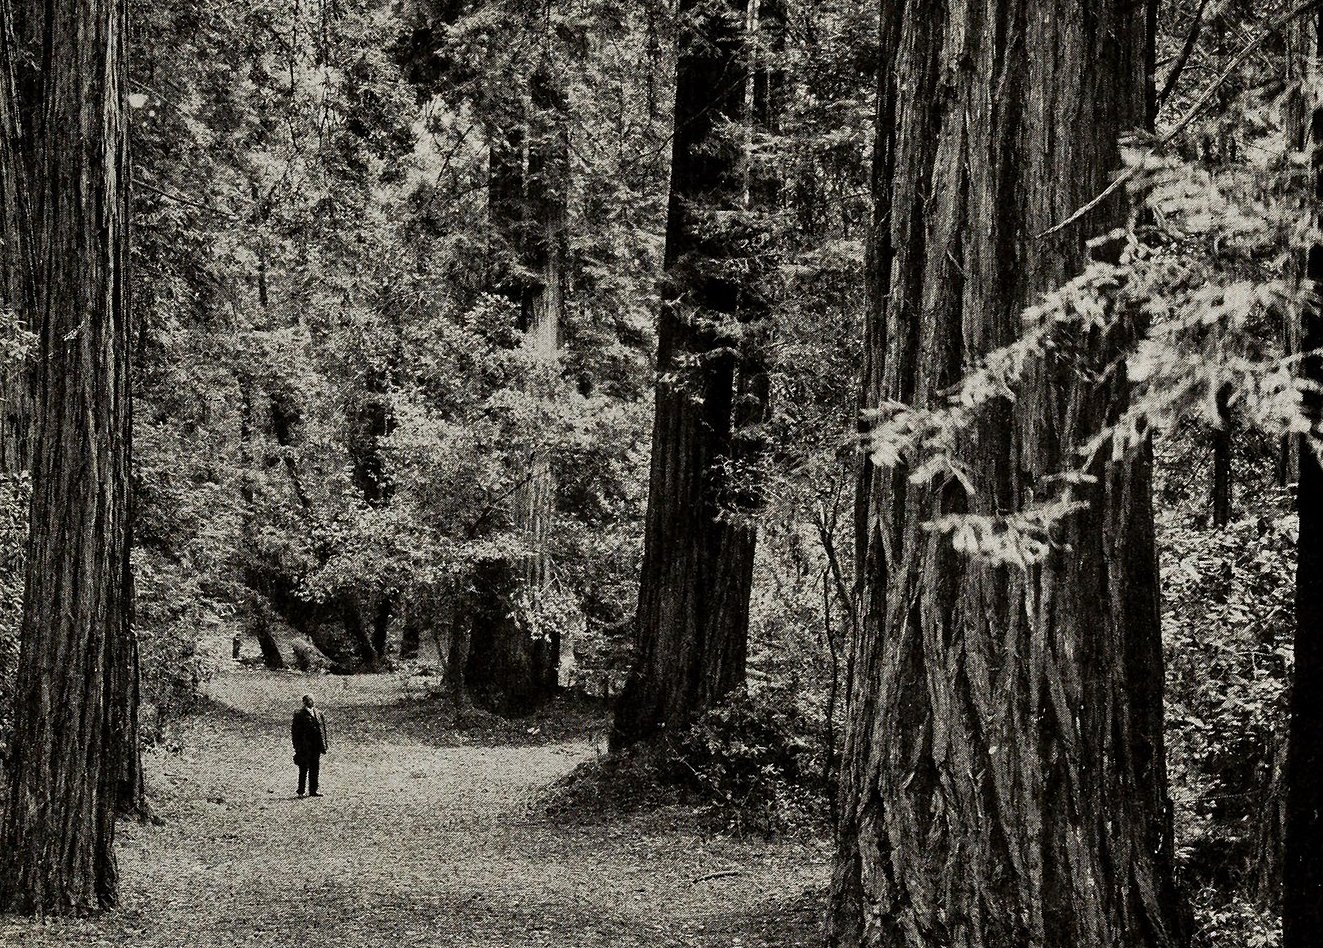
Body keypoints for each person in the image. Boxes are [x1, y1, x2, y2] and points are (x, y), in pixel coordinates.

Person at [291, 693, 328, 798]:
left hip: (316, 746)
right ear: (304, 702)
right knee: (303, 769)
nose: (310, 701)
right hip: (305, 747)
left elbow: (323, 730)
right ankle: (301, 791)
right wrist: (297, 747)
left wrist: (324, 745)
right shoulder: (299, 714)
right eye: (308, 700)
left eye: (312, 699)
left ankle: (313, 790)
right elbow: (295, 732)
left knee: (315, 769)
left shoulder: (318, 713)